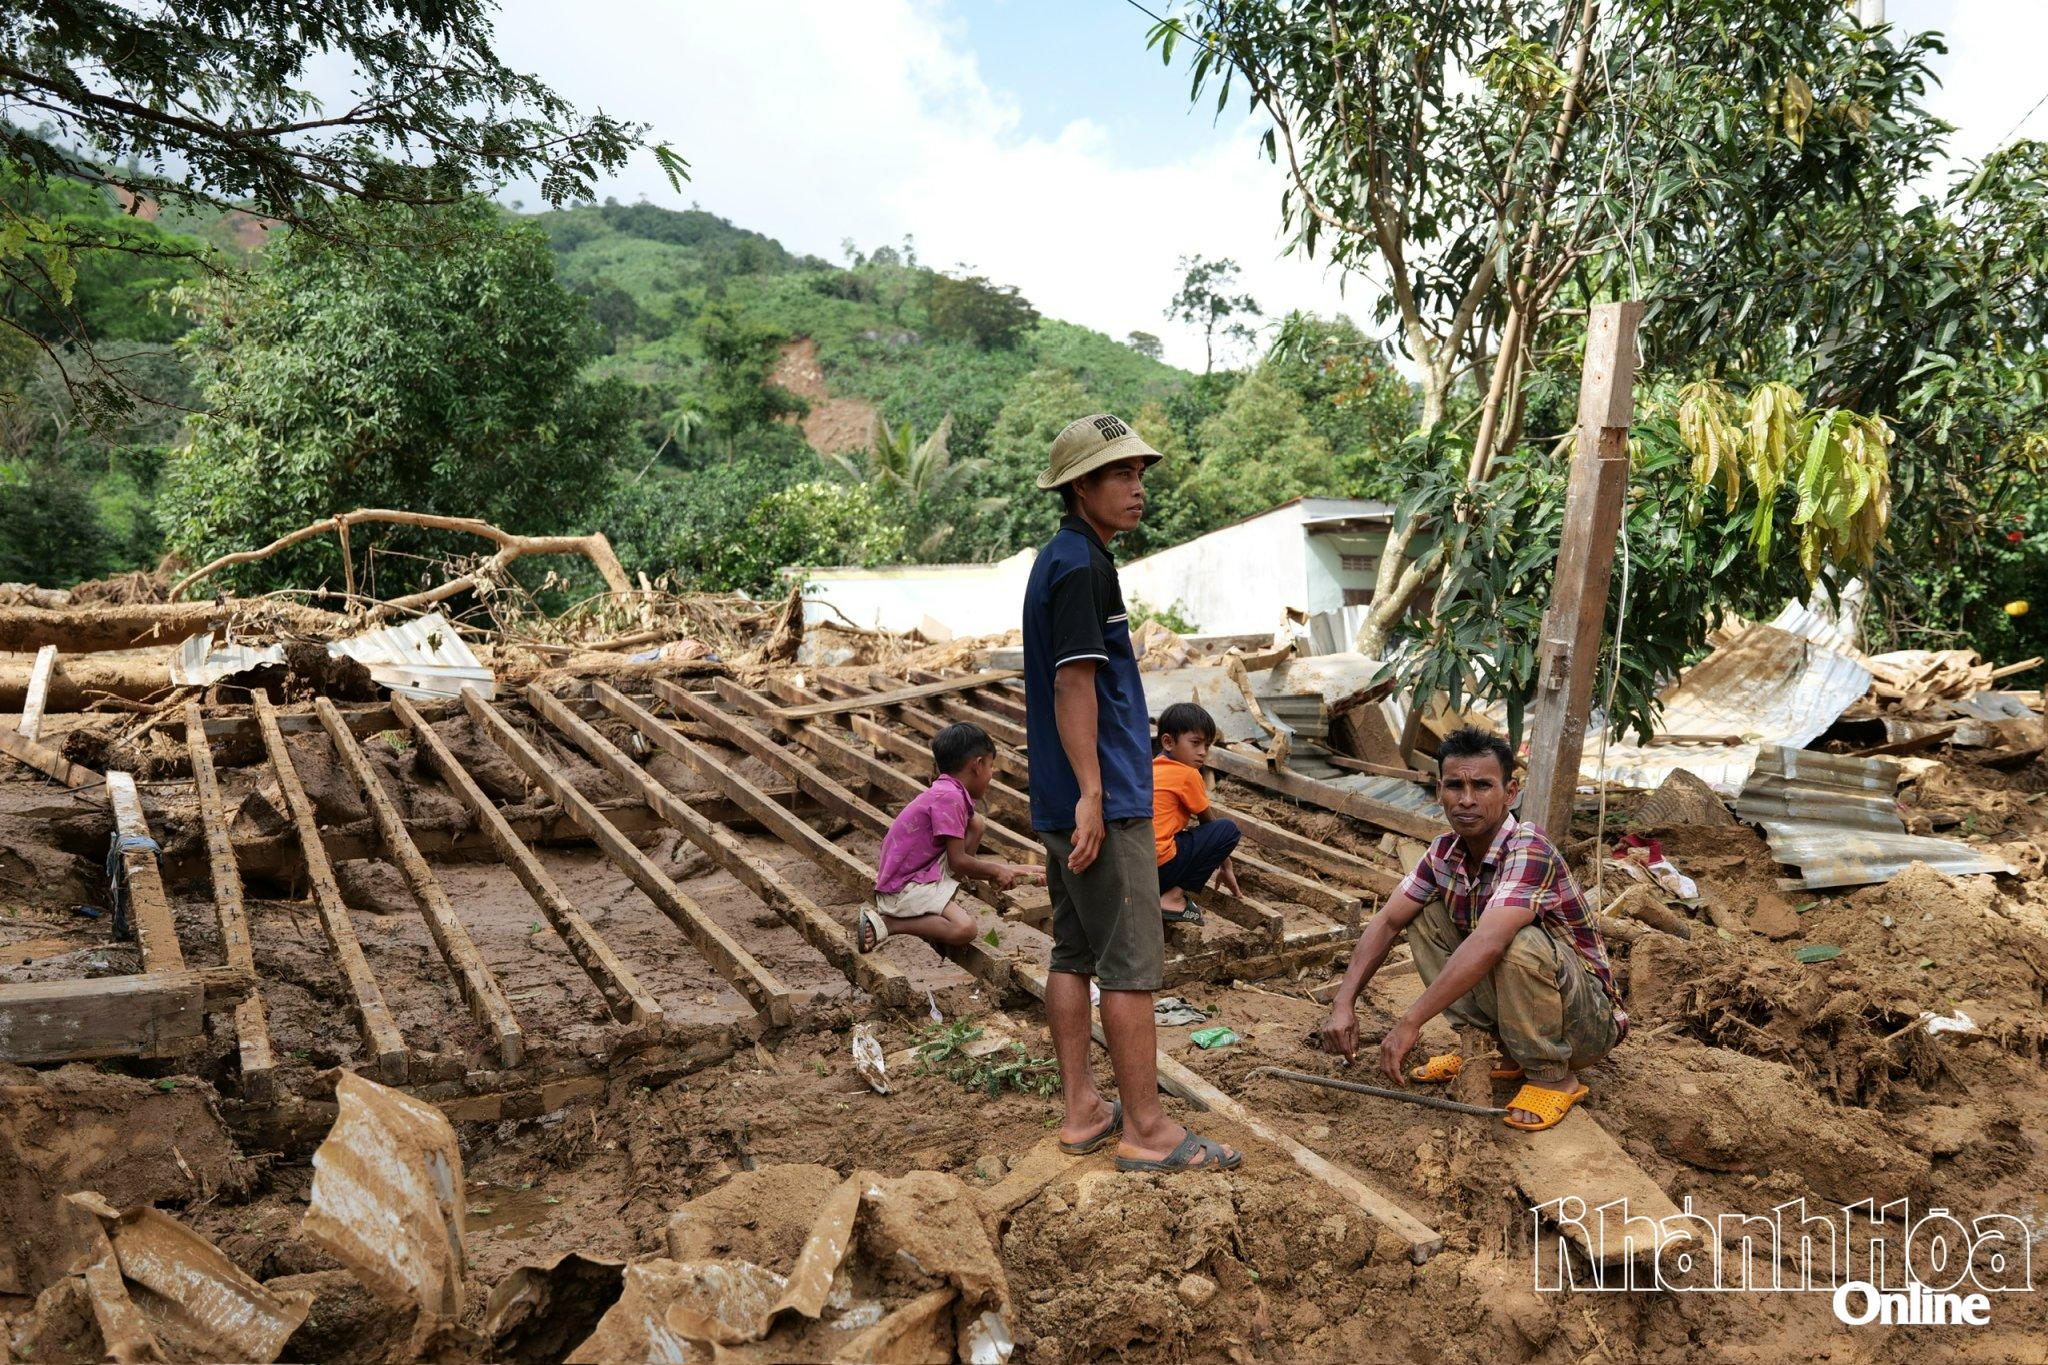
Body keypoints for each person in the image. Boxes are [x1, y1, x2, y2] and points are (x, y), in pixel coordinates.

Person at [1022, 412, 1240, 1173]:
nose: (1137, 487)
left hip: (1062, 794)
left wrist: (1071, 792)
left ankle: (1083, 1106)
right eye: (1121, 474)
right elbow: (1074, 683)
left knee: (1073, 948)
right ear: (1081, 485)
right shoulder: (1083, 566)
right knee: (1130, 963)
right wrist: (1094, 792)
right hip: (1104, 799)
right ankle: (1147, 1130)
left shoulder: (1061, 557)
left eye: (1140, 473)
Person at [1316, 726, 1626, 1131]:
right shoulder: (1444, 851)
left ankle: (1552, 1075)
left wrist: (1410, 1022)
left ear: (1510, 793)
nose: (1466, 799)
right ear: (1438, 791)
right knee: (1422, 915)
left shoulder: (1529, 849)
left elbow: (1489, 943)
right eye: (1454, 786)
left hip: (1586, 1025)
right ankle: (1492, 1048)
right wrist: (1343, 1003)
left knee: (1518, 943)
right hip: (1526, 1007)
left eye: (1482, 786)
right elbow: (1388, 920)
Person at [857, 721, 1041, 954]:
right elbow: (958, 861)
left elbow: (962, 862)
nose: (991, 774)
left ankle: (934, 900)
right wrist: (996, 871)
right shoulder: (950, 798)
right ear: (978, 765)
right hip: (902, 887)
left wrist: (1019, 870)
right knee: (965, 929)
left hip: (916, 873)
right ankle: (889, 923)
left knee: (977, 823)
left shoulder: (949, 792)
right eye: (991, 767)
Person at [1152, 702, 1242, 921]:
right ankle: (1173, 898)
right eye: (1195, 743)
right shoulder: (1187, 774)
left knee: (1180, 835)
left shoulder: (1152, 767)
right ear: (1168, 742)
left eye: (1207, 745)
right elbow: (1210, 825)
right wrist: (1226, 865)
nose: (1202, 752)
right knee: (1228, 829)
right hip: (1158, 870)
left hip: (1136, 867)